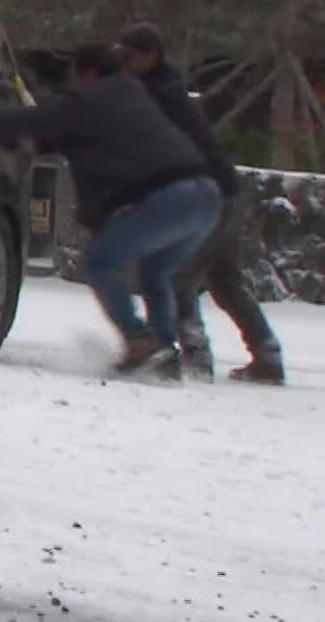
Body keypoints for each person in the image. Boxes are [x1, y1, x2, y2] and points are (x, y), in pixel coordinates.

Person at [0, 43, 224, 376]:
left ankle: (141, 340)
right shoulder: (128, 93)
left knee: (100, 260)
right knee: (155, 272)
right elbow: (82, 138)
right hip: (207, 197)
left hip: (172, 198)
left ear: (86, 73)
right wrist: (39, 143)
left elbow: (33, 119)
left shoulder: (91, 98)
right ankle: (163, 354)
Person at [116, 23, 286, 385]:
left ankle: (193, 358)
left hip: (205, 196)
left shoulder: (159, 95)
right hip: (223, 191)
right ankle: (267, 355)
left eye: (129, 56)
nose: (123, 63)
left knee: (175, 274)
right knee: (224, 279)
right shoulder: (163, 89)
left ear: (151, 55)